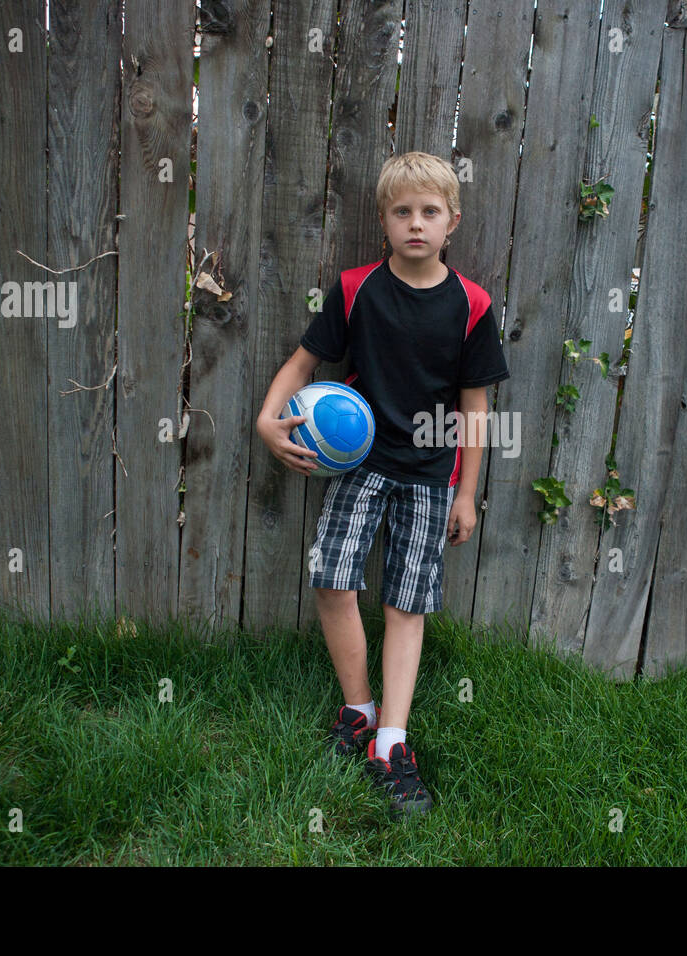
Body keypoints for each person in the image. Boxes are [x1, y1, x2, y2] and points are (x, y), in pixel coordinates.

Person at [255, 151, 510, 817]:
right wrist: (266, 419)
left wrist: (466, 492)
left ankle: (392, 744)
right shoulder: (355, 288)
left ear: (452, 221)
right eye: (403, 212)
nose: (416, 224)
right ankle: (358, 708)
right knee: (333, 580)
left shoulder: (471, 305)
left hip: (431, 477)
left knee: (407, 603)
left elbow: (475, 407)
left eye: (429, 212)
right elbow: (305, 362)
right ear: (384, 220)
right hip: (358, 465)